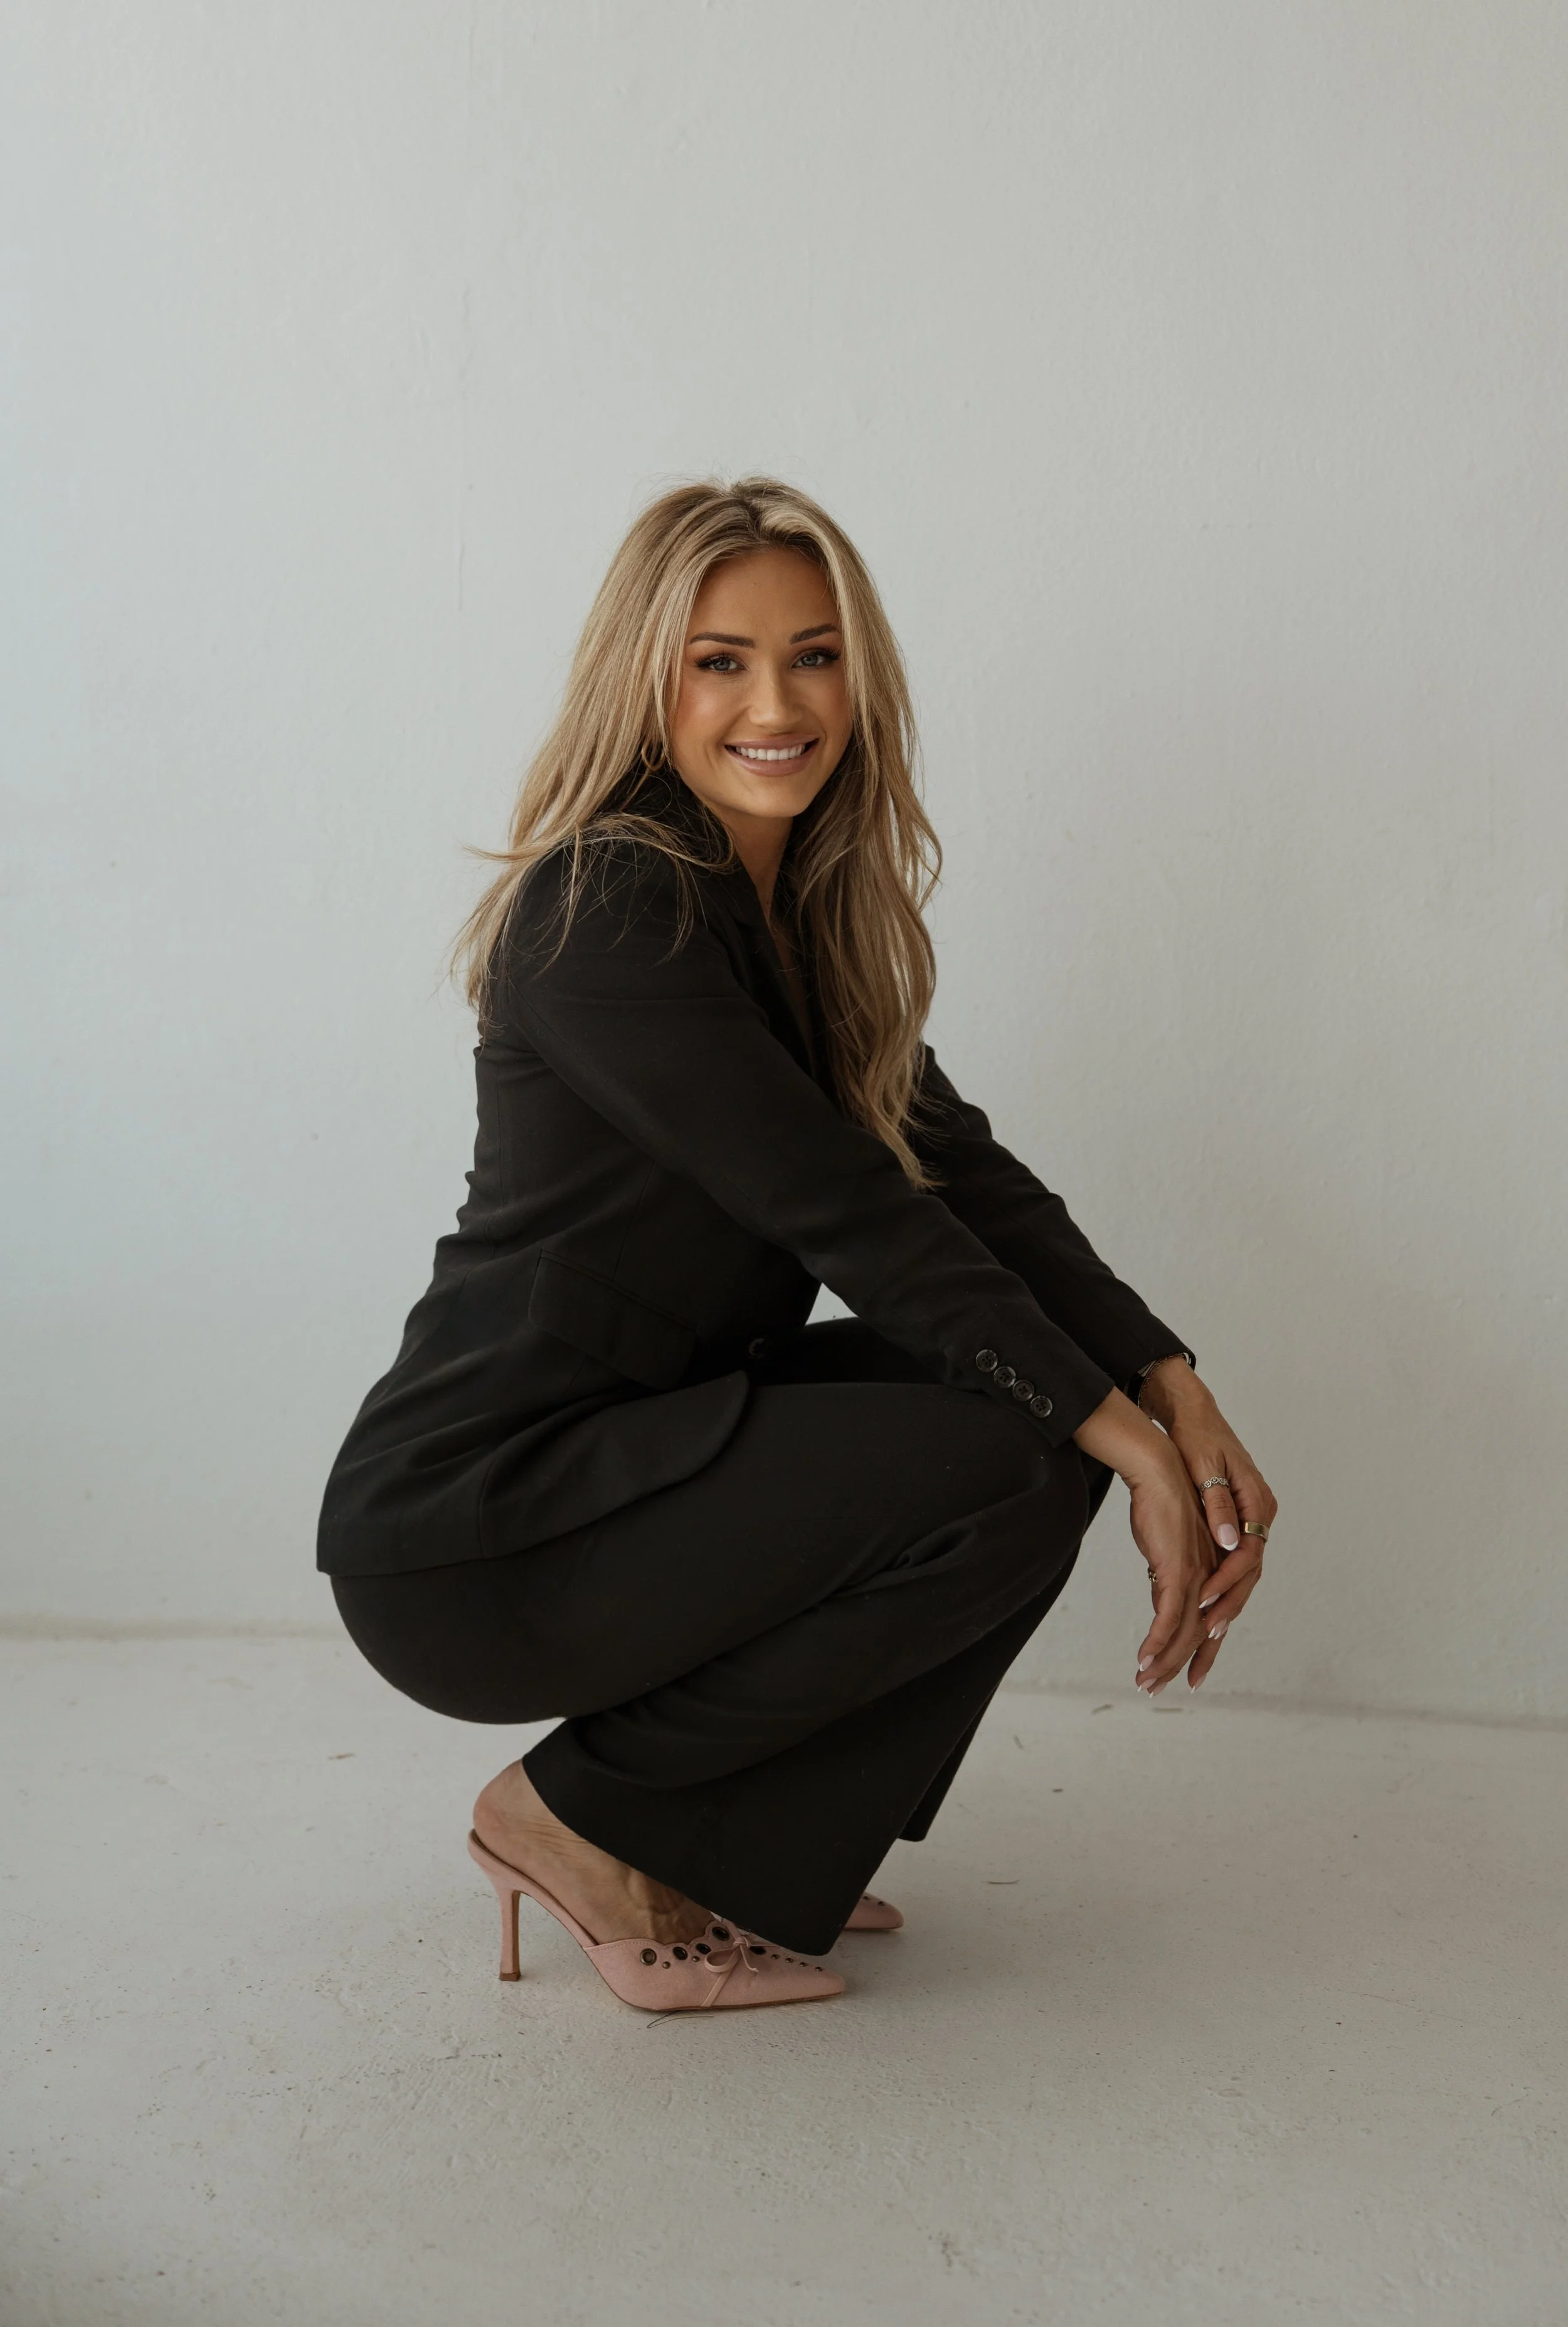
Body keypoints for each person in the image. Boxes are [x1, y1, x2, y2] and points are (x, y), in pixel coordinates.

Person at [319, 477, 1277, 2013]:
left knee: (1033, 1423)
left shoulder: (802, 922)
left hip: (640, 1457)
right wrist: (1125, 1438)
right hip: (483, 1524)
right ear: (648, 679)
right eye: (719, 660)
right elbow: (848, 1214)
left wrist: (1169, 1389)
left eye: (813, 655)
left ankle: (737, 1843)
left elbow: (967, 1186)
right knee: (1019, 1439)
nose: (776, 701)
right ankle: (579, 1821)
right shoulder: (605, 904)